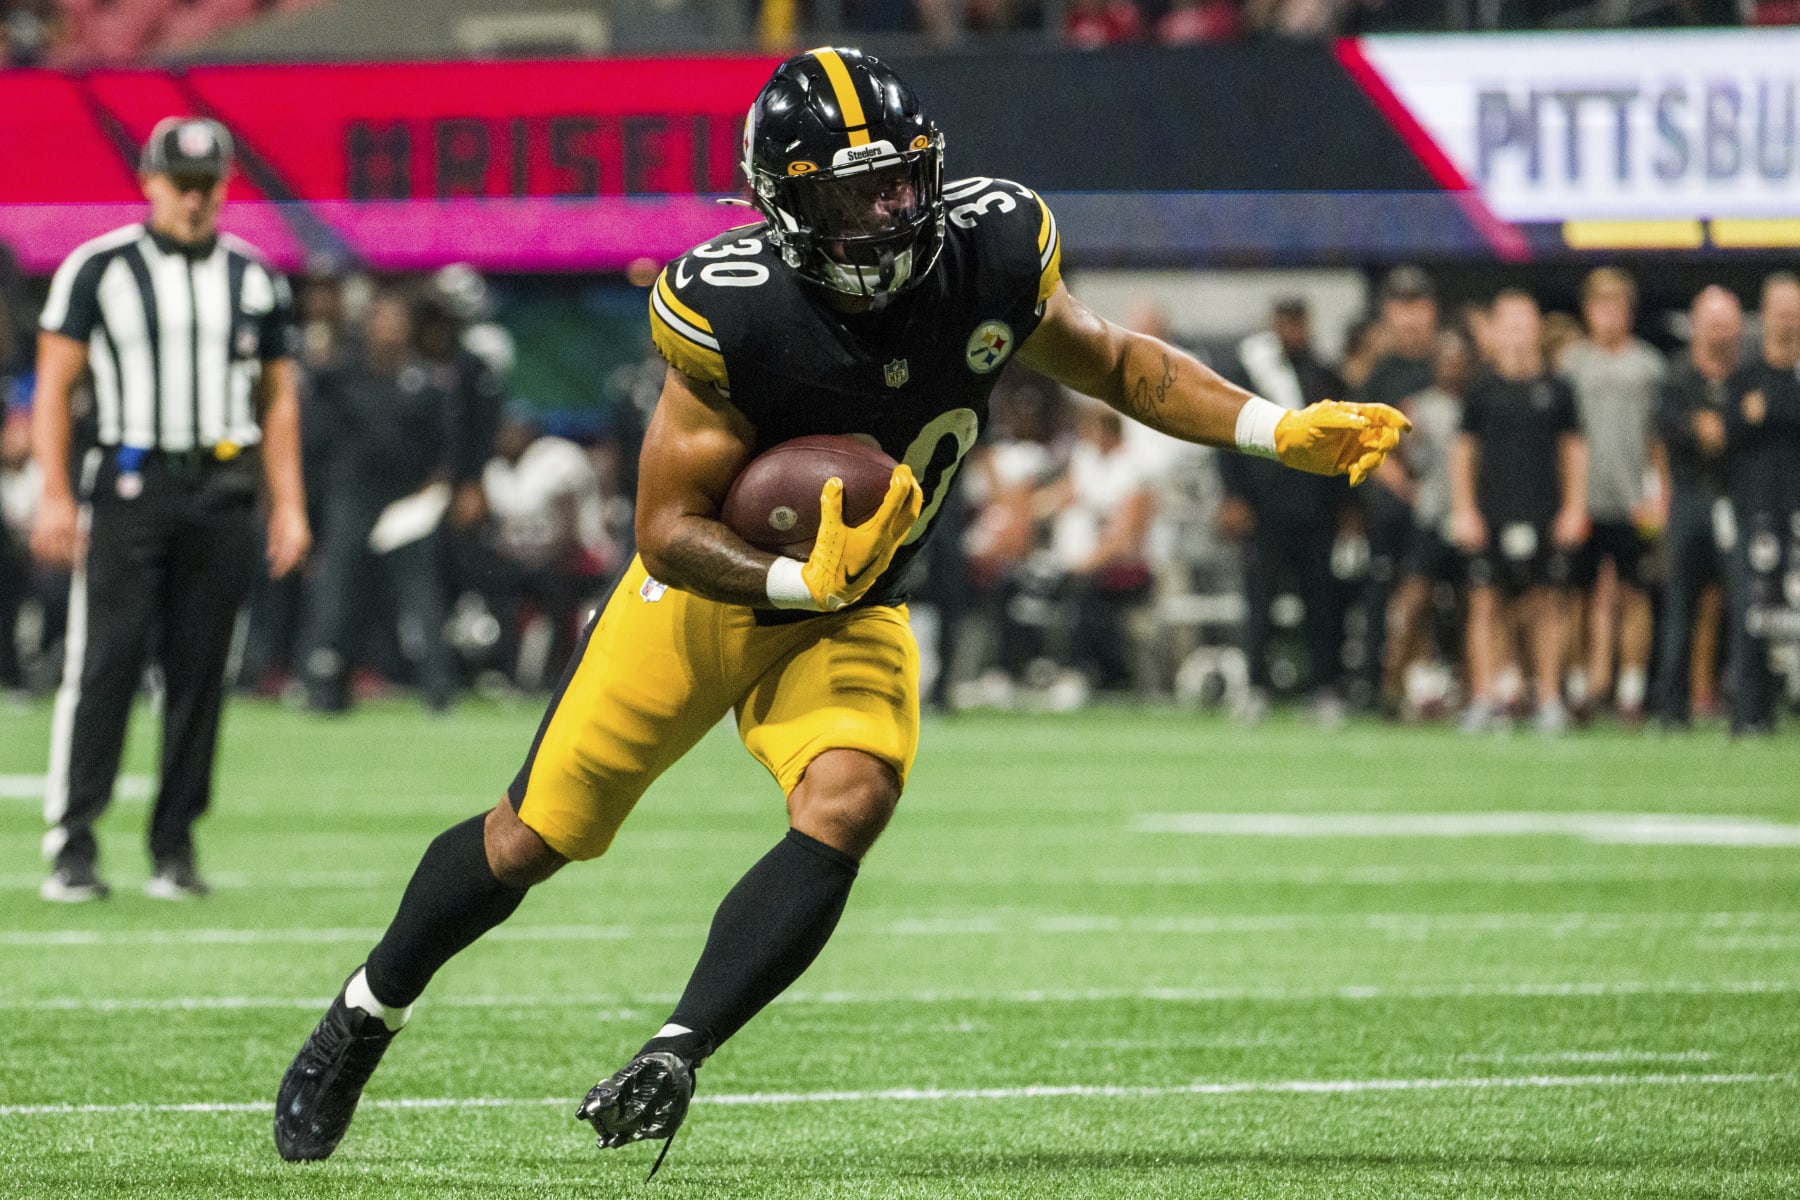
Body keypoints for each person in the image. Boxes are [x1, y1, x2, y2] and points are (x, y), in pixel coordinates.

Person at [272, 48, 1407, 1167]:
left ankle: (679, 1047)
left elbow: (1115, 363)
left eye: (905, 181)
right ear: (784, 205)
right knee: (534, 838)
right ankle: (364, 1015)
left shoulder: (994, 246)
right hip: (712, 592)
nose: (891, 213)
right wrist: (787, 579)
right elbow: (664, 528)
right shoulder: (737, 309)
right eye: (856, 194)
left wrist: (1272, 428)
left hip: (856, 600)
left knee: (849, 798)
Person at [31, 117, 309, 901]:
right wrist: (54, 491)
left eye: (207, 184)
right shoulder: (99, 268)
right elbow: (55, 386)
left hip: (222, 487)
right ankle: (74, 843)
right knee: (106, 665)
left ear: (224, 186)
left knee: (200, 672)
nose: (193, 199)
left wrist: (289, 502)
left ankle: (174, 844)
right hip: (130, 482)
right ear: (150, 181)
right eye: (181, 183)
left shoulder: (256, 277)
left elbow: (278, 400)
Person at [299, 289, 459, 713]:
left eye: (396, 320)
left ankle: (437, 687)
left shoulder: (424, 380)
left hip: (406, 502)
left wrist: (435, 491)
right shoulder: (340, 375)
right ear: (367, 325)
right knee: (338, 593)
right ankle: (325, 682)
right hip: (352, 494)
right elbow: (317, 439)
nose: (389, 328)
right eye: (381, 319)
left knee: (419, 592)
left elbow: (444, 446)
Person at [1450, 291, 1588, 735]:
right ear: (1495, 330)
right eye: (1508, 323)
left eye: (1525, 323)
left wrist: (1574, 507)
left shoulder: (1558, 389)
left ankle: (1547, 696)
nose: (1518, 333)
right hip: (1491, 508)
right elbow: (1463, 452)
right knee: (1485, 602)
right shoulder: (1482, 389)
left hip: (1544, 507)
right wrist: (1464, 509)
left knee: (1549, 603)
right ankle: (1486, 697)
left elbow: (1573, 450)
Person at [1218, 298, 1353, 724]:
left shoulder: (1324, 374)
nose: (1292, 330)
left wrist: (1347, 503)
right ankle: (1255, 685)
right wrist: (1234, 495)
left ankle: (1324, 687)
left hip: (1316, 509)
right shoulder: (1250, 373)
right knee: (1260, 602)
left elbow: (1343, 441)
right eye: (1285, 321)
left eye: (1298, 322)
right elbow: (1226, 434)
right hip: (1265, 509)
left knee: (1322, 603)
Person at [1560, 268, 1665, 721]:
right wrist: (1566, 500)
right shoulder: (1570, 365)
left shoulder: (1649, 366)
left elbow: (1658, 441)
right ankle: (1580, 686)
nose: (1609, 314)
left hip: (1632, 499)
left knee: (1635, 593)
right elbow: (1560, 438)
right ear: (1587, 310)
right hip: (1582, 499)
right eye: (1601, 304)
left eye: (1618, 305)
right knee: (1575, 595)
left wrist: (1659, 495)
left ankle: (1630, 689)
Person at [1653, 285, 1742, 727]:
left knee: (1745, 605)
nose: (1719, 331)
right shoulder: (1676, 376)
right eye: (1712, 321)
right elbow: (1675, 430)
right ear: (1696, 325)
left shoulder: (1748, 372)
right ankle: (1671, 708)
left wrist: (1723, 429)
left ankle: (1746, 705)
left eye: (1726, 322)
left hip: (1738, 502)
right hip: (1688, 500)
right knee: (1679, 607)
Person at [1721, 273, 1800, 736]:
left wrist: (1768, 413)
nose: (1788, 320)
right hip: (1756, 511)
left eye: (1794, 310)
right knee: (1753, 614)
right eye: (1781, 310)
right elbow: (1729, 432)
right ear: (1765, 315)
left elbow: (1764, 418)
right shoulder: (1744, 376)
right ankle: (1750, 712)